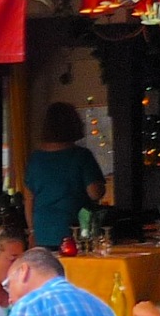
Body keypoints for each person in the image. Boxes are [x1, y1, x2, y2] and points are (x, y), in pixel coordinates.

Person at [24, 102, 105, 248]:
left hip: (42, 231)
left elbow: (29, 199)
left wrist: (32, 230)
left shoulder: (36, 158)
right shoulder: (82, 156)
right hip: (73, 231)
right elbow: (95, 193)